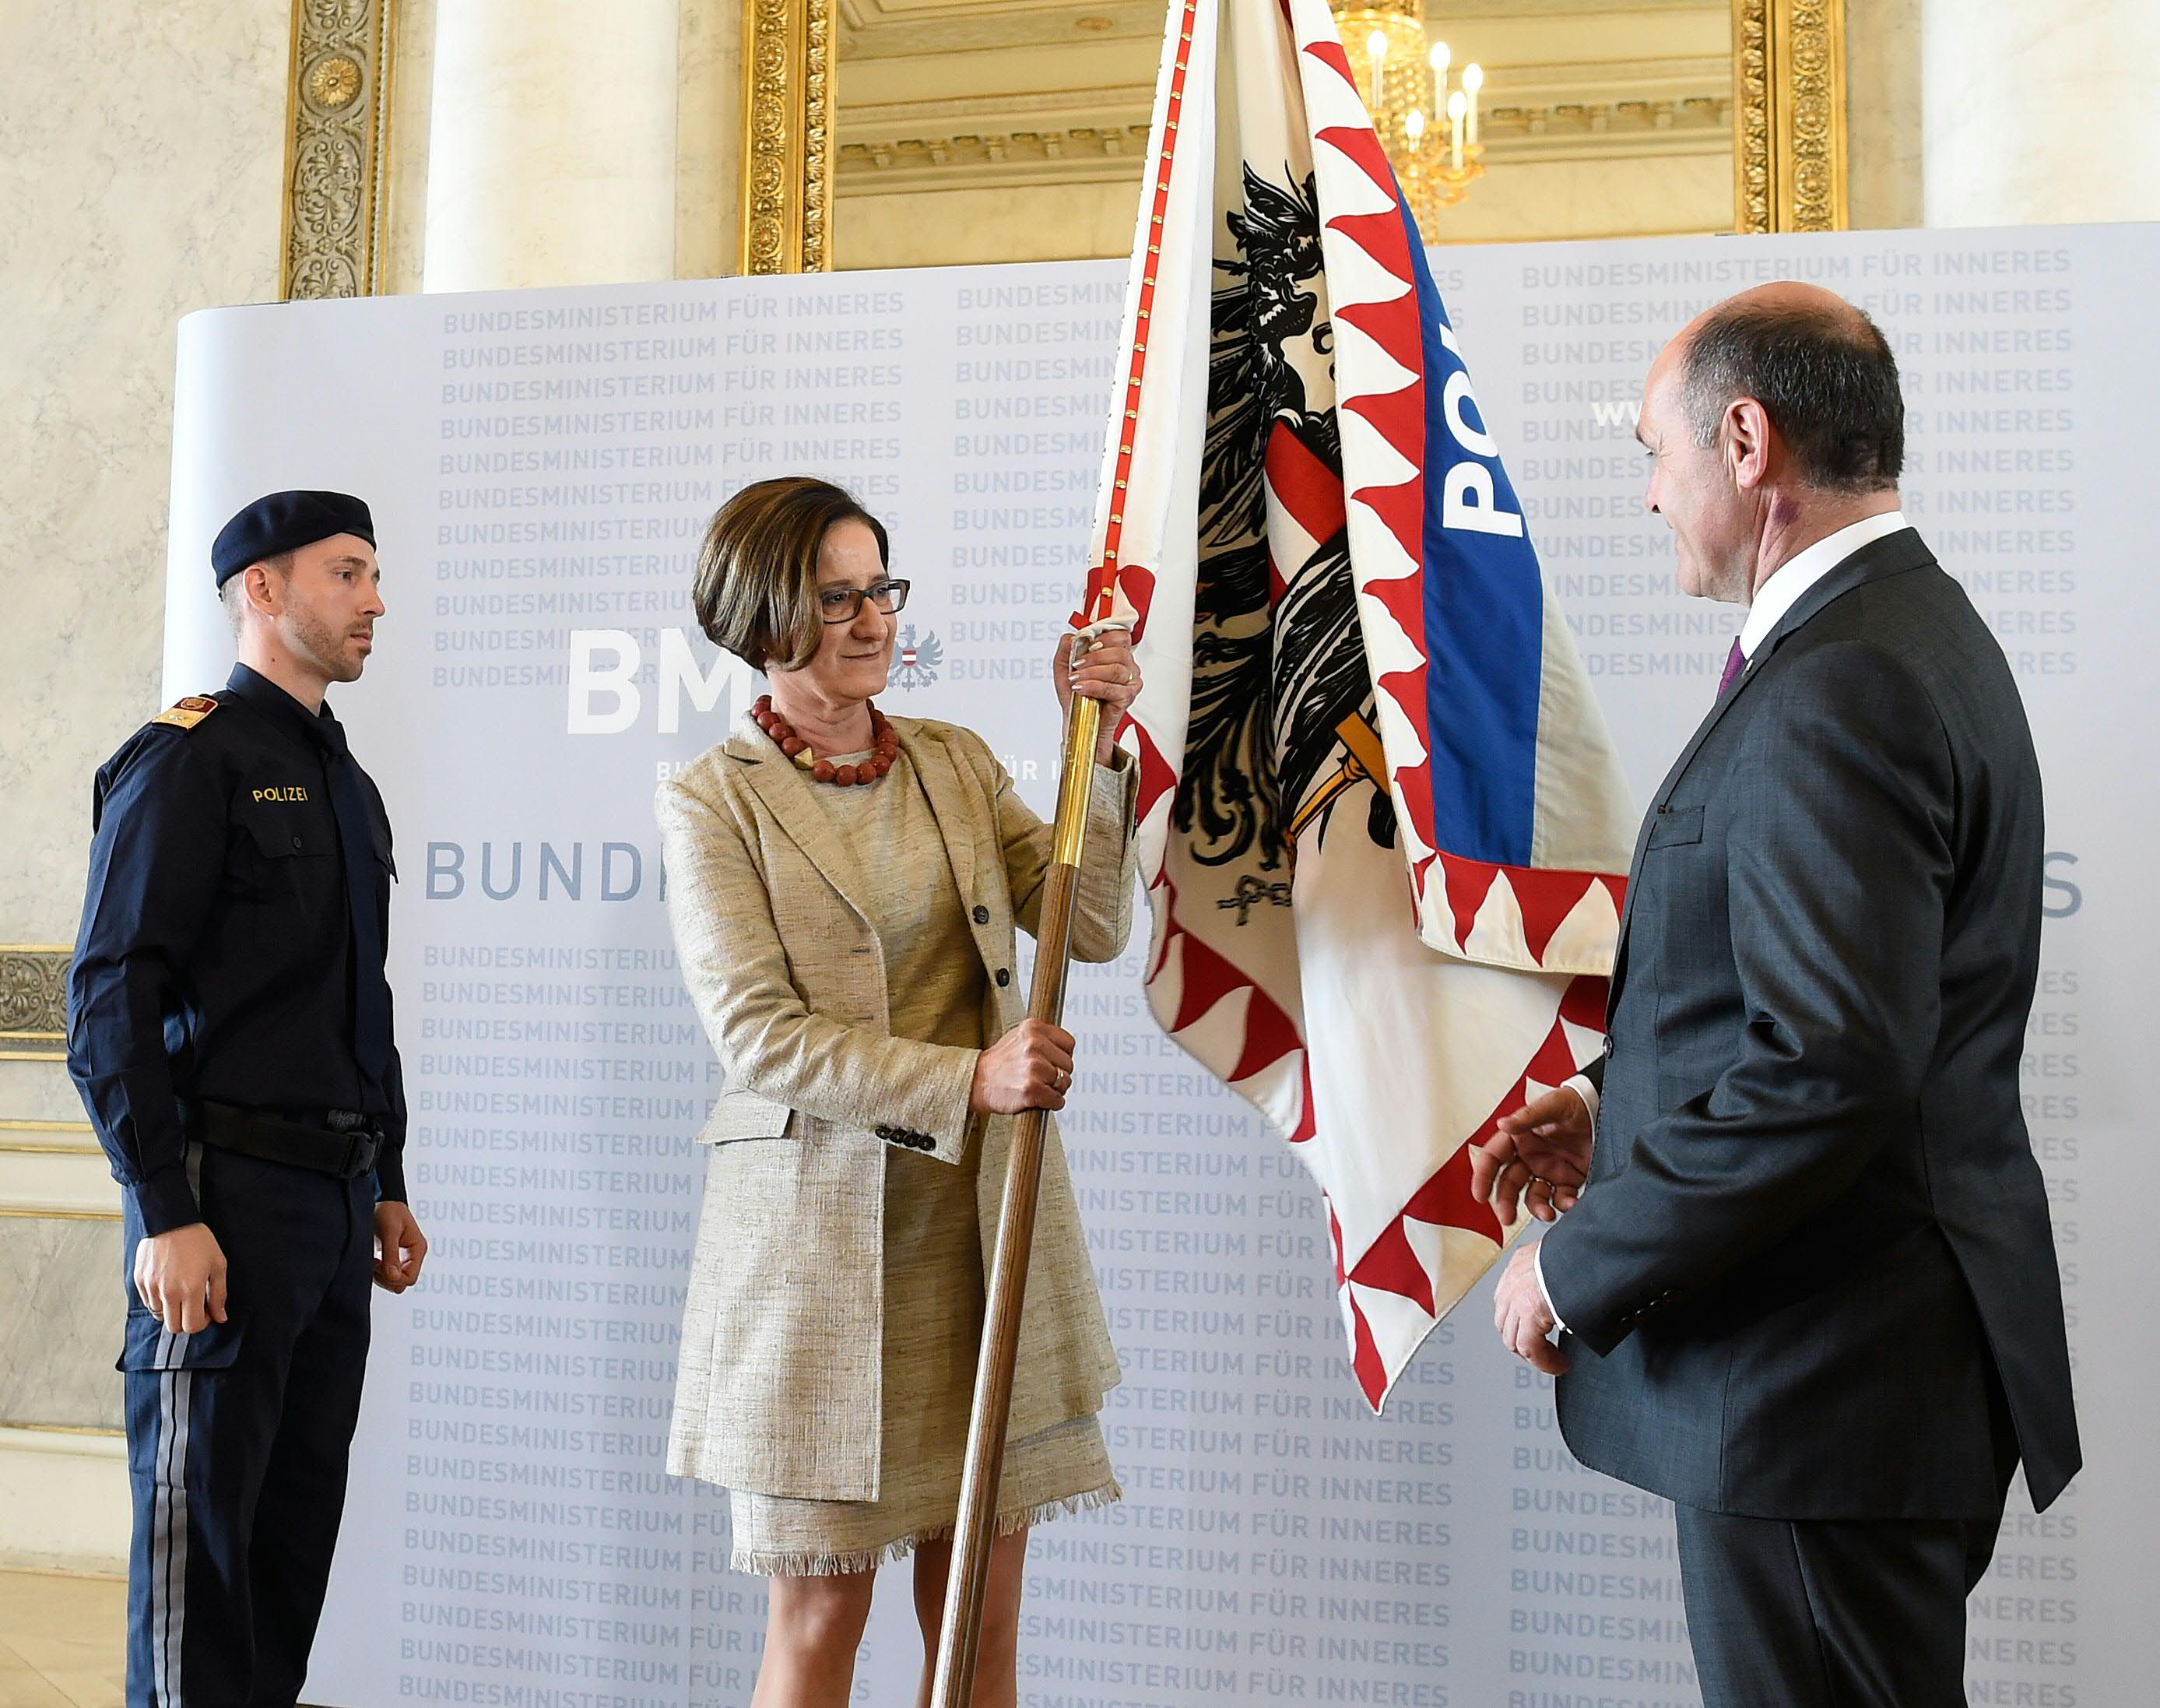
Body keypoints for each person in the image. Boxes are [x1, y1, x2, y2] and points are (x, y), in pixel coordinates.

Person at [1471, 285, 2080, 1708]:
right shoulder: (1905, 634)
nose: (1647, 495)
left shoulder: (1843, 683)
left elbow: (1826, 1070)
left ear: (1746, 441)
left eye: (1655, 451)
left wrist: (1578, 1258)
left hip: (1823, 1388)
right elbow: (1827, 1013)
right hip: (1856, 1387)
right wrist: (1612, 1108)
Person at [657, 476, 1142, 1708]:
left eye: (883, 587)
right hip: (822, 1265)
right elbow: (757, 1032)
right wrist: (968, 1076)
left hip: (979, 1242)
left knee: (977, 1612)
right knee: (821, 1617)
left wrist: (1100, 742)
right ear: (764, 611)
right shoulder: (712, 799)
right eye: (838, 595)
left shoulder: (956, 762)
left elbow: (1088, 923)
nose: (872, 617)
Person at [65, 490, 428, 1708]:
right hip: (218, 1202)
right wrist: (163, 1206)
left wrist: (385, 1181)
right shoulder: (190, 757)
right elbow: (111, 995)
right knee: (197, 1557)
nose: (377, 598)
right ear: (262, 590)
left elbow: (356, 1002)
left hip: (329, 1214)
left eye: (375, 572)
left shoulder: (349, 785)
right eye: (348, 572)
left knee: (285, 1552)